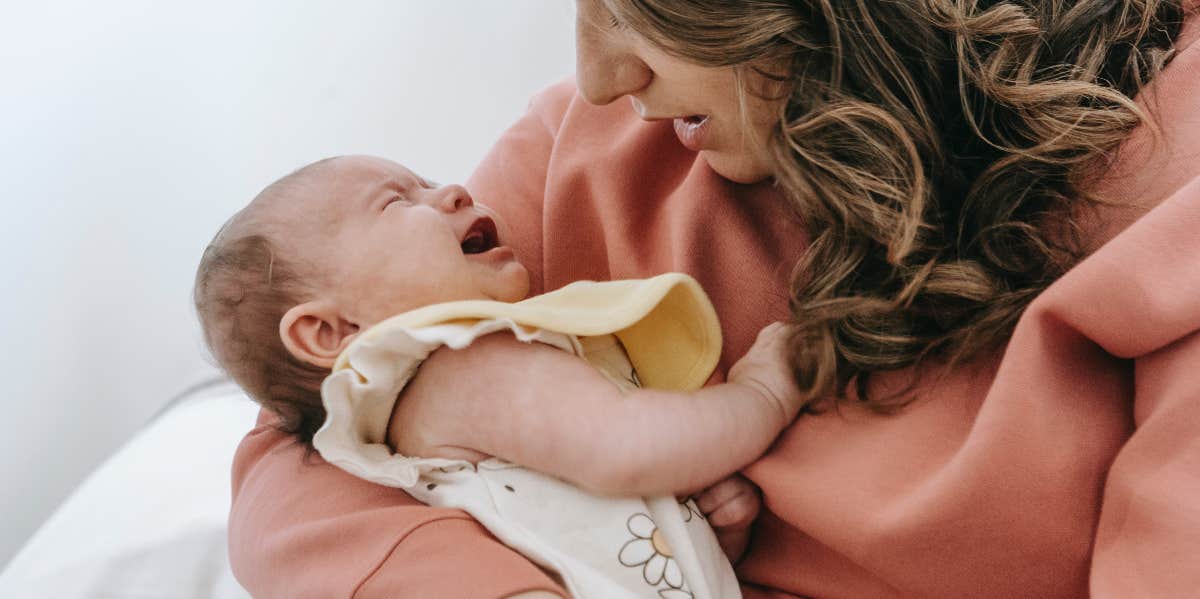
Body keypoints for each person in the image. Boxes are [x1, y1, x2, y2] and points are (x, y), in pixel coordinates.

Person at [226, 0, 1200, 597]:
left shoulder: (1169, 164)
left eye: (637, 4)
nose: (600, 76)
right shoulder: (598, 145)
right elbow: (306, 433)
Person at [195, 154, 803, 598]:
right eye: (397, 202)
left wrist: (700, 536)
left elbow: (583, 543)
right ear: (331, 333)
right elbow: (630, 448)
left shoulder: (436, 404)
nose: (455, 190)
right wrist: (764, 394)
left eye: (429, 180)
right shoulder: (462, 364)